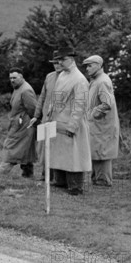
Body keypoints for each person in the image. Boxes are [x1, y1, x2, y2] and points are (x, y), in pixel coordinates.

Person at [47, 47, 91, 195]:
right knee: (59, 154)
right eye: (58, 60)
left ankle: (75, 186)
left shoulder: (80, 80)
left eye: (62, 59)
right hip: (58, 119)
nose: (59, 62)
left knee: (74, 156)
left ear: (71, 60)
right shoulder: (62, 76)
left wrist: (72, 126)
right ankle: (60, 181)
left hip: (72, 122)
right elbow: (56, 98)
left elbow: (80, 106)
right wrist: (50, 115)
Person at [83, 55, 120, 187]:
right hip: (97, 126)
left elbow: (107, 104)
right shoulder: (96, 80)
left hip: (102, 126)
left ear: (99, 65)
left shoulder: (102, 81)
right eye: (86, 66)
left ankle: (103, 182)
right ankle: (97, 180)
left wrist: (92, 115)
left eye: (90, 65)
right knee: (97, 152)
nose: (87, 68)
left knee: (102, 153)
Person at [27, 54, 64, 181]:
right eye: (54, 63)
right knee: (43, 147)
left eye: (59, 62)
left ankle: (58, 178)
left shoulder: (69, 78)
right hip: (45, 119)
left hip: (59, 119)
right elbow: (42, 97)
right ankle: (45, 175)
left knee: (57, 148)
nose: (57, 65)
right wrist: (36, 116)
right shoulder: (49, 76)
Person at [0, 68, 38, 178]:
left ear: (21, 77)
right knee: (25, 148)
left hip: (24, 124)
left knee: (11, 146)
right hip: (18, 123)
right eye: (10, 78)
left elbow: (33, 108)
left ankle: (2, 170)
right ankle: (28, 173)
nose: (12, 80)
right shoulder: (18, 88)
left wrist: (32, 123)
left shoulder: (26, 90)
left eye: (14, 77)